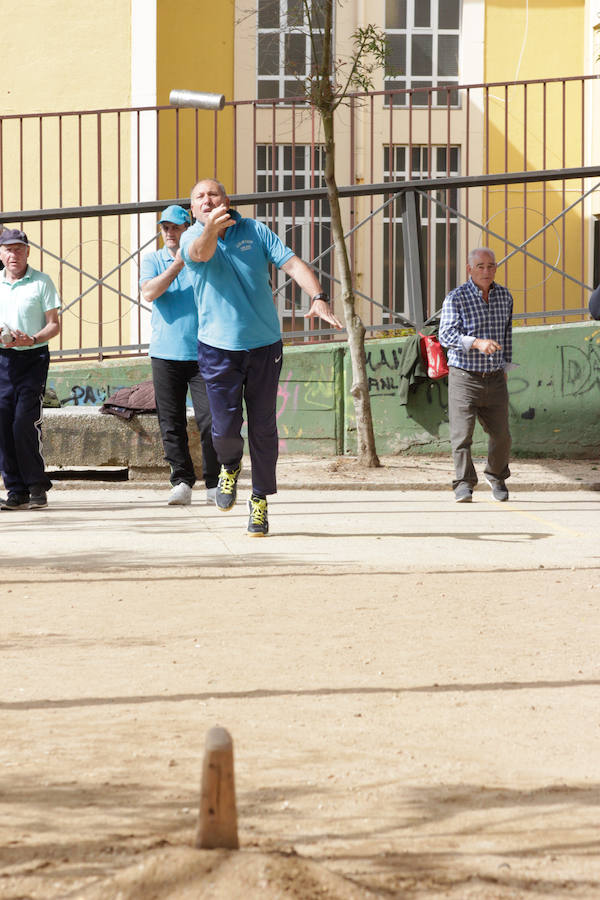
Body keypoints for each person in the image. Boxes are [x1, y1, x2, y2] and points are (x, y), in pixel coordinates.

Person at [179, 178, 343, 536]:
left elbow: (293, 264)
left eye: (214, 194)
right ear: (192, 209)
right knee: (222, 429)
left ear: (227, 199)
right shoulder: (191, 237)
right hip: (217, 348)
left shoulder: (254, 230)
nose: (207, 200)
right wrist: (210, 228)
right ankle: (229, 465)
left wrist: (317, 296)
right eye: (199, 197)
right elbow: (202, 254)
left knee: (264, 426)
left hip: (265, 345)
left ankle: (259, 500)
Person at [140, 205, 219, 505]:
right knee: (170, 422)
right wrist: (177, 264)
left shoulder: (203, 258)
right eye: (165, 228)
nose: (170, 233)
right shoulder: (153, 259)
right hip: (165, 354)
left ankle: (213, 483)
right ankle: (182, 481)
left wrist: (190, 257)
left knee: (211, 420)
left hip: (204, 352)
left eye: (175, 227)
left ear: (187, 228)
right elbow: (149, 293)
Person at [439, 247, 513, 503]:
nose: (486, 271)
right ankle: (463, 483)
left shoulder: (504, 296)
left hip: (494, 377)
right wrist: (476, 343)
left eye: (491, 266)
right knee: (462, 436)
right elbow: (446, 335)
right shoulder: (455, 298)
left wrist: (505, 367)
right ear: (469, 269)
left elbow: (507, 335)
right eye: (480, 266)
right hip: (464, 376)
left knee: (502, 434)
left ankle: (496, 476)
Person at [0, 228, 61, 510]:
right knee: (3, 424)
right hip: (2, 360)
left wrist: (33, 338)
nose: (14, 255)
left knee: (24, 422)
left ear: (27, 252)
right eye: (9, 249)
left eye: (19, 249)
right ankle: (15, 490)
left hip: (33, 358)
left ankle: (36, 485)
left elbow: (54, 324)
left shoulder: (41, 282)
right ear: (1, 254)